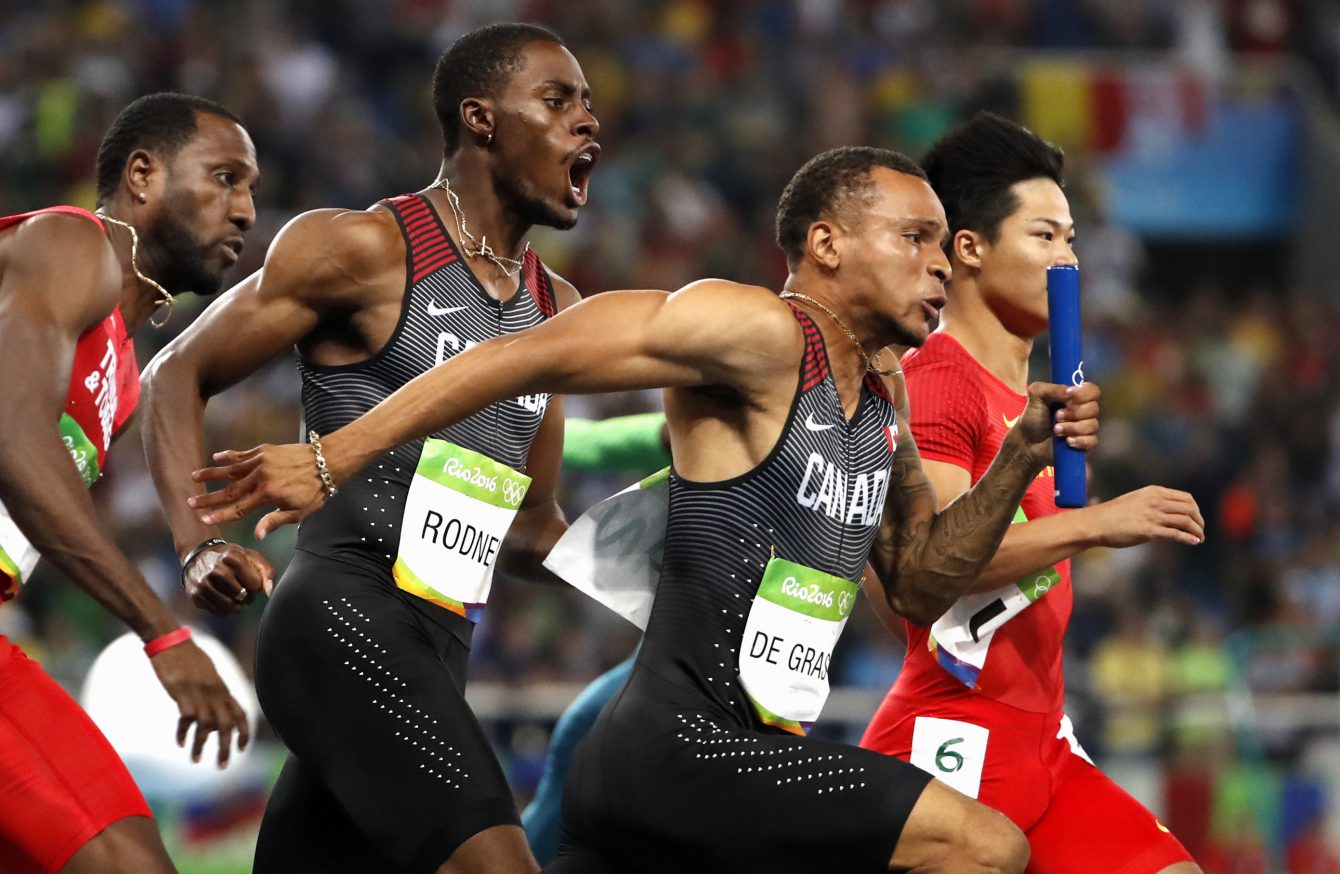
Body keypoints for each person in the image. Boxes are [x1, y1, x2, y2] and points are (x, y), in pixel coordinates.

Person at [189, 146, 1103, 873]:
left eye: (944, 247)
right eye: (915, 239)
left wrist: (1021, 453)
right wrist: (334, 451)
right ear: (828, 245)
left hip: (718, 762)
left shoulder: (882, 401)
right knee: (983, 847)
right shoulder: (759, 332)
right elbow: (528, 354)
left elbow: (916, 581)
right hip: (681, 747)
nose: (940, 266)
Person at [140, 22, 598, 874]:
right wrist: (197, 539)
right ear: (481, 119)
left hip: (435, 650)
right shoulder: (367, 249)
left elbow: (532, 528)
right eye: (558, 99)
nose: (587, 124)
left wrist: (671, 562)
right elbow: (173, 373)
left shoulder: (556, 312)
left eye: (589, 105)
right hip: (340, 617)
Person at [857, 113, 1205, 872]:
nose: (1069, 260)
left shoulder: (1032, 395)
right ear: (970, 249)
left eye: (1072, 238)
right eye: (1044, 237)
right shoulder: (942, 381)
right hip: (957, 737)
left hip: (1041, 737)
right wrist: (1099, 523)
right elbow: (931, 565)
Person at [0, 92, 257, 874]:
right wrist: (161, 630)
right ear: (143, 176)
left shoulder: (123, 373)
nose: (245, 209)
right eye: (224, 179)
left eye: (250, 189)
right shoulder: (71, 246)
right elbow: (12, 437)